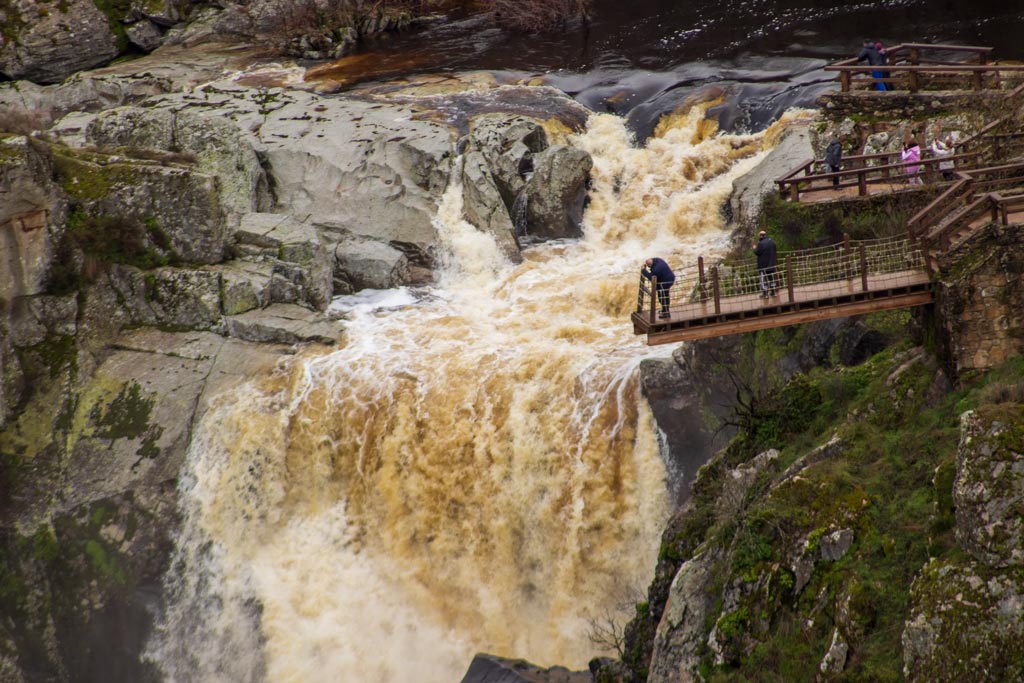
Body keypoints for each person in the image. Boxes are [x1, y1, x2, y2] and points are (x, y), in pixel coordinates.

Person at [753, 230, 778, 298]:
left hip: (763, 264)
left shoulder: (761, 243)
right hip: (771, 263)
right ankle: (773, 292)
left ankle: (765, 294)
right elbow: (775, 250)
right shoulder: (772, 242)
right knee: (771, 277)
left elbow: (758, 252)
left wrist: (754, 248)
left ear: (761, 235)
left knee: (763, 279)